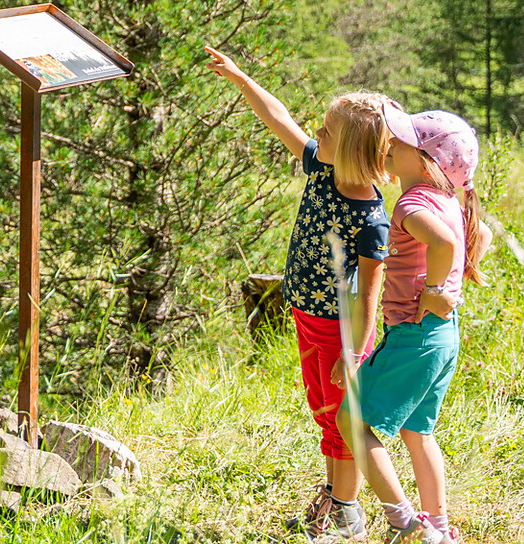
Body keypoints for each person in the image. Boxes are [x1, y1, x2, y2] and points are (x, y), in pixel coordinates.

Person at [205, 47, 399, 541]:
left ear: (353, 148)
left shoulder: (372, 222)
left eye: (329, 131)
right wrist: (242, 78)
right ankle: (333, 502)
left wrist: (356, 354)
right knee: (322, 411)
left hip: (340, 330)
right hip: (306, 314)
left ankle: (347, 512)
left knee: (342, 418)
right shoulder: (321, 168)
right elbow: (280, 119)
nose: (318, 135)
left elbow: (369, 298)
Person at [337, 109, 491, 544]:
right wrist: (450, 288)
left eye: (399, 142)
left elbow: (442, 242)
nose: (388, 144)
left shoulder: (411, 203)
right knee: (417, 431)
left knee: (353, 420)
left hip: (415, 333)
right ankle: (440, 528)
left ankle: (406, 521)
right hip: (444, 334)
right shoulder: (449, 200)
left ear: (426, 161)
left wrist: (437, 287)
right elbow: (482, 238)